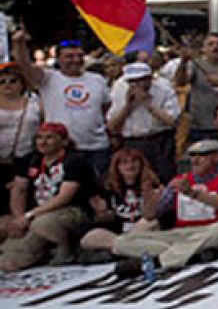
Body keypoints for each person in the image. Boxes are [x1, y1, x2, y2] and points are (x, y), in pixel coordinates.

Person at [107, 139, 218, 274]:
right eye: (192, 155)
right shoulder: (179, 181)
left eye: (202, 155)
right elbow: (151, 216)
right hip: (181, 234)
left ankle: (159, 261)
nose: (195, 160)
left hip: (210, 231)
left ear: (216, 157)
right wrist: (148, 196)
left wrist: (192, 193)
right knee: (121, 242)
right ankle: (189, 255)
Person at [1, 122, 95, 271]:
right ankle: (40, 251)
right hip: (34, 215)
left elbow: (64, 197)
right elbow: (19, 190)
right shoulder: (29, 160)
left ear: (64, 141)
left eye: (49, 138)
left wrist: (29, 216)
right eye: (39, 138)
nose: (43, 142)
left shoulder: (74, 161)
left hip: (71, 211)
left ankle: (67, 249)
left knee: (42, 223)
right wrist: (18, 219)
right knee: (7, 262)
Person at [14, 34, 112, 177]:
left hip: (96, 148)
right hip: (60, 149)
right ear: (58, 59)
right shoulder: (48, 78)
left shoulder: (98, 79)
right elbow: (25, 65)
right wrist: (20, 44)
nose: (76, 60)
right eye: (69, 57)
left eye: (79, 56)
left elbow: (105, 109)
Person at [79, 148, 163, 258]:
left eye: (134, 161)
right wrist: (103, 213)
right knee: (89, 238)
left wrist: (149, 196)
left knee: (149, 223)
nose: (130, 165)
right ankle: (126, 247)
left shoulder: (155, 185)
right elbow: (110, 219)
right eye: (124, 162)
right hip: (119, 234)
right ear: (117, 167)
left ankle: (123, 249)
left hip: (144, 231)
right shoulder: (107, 188)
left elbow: (152, 216)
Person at [107, 62, 180, 182]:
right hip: (132, 142)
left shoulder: (164, 89)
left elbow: (173, 122)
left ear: (150, 79)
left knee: (164, 177)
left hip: (160, 140)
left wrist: (148, 104)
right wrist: (127, 107)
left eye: (140, 80)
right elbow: (111, 126)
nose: (135, 85)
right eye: (131, 81)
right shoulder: (119, 88)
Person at [174, 33, 218, 142]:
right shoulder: (196, 65)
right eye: (210, 44)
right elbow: (180, 82)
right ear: (204, 48)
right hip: (200, 124)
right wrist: (183, 62)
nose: (215, 47)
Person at [0, 61, 42, 189]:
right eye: (2, 82)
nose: (7, 85)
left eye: (13, 81)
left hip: (26, 156)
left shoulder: (35, 102)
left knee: (21, 189)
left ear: (22, 83)